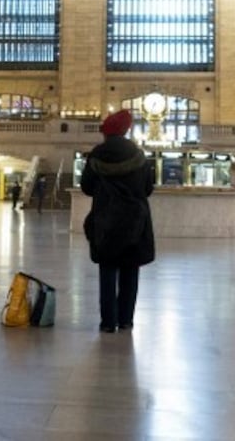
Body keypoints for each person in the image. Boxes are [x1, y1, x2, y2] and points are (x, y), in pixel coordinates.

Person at [81, 109, 155, 334]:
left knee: (107, 271)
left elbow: (86, 187)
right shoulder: (138, 155)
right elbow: (148, 188)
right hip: (134, 221)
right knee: (130, 272)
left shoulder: (97, 155)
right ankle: (126, 321)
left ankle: (107, 323)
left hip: (106, 220)